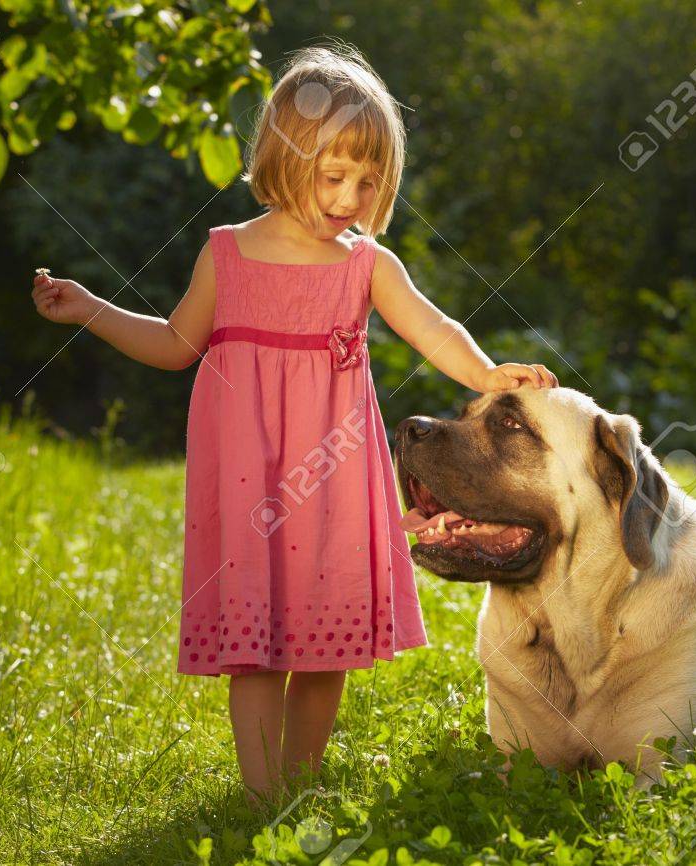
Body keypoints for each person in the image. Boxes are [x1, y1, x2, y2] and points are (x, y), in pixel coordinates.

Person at [30, 42, 557, 805]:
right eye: (332, 174)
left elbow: (434, 328)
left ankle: (300, 785)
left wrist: (484, 375)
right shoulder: (227, 255)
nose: (349, 196)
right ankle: (262, 798)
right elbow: (176, 344)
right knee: (255, 654)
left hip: (334, 484)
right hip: (250, 487)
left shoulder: (366, 264)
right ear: (282, 158)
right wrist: (91, 309)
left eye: (368, 181)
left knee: (323, 649)